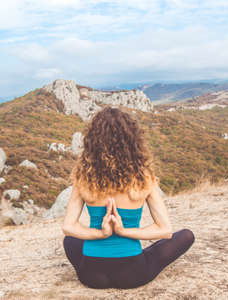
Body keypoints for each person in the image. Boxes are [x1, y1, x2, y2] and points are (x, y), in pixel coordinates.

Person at [62, 106, 194, 289]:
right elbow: (165, 230)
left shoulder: (83, 179)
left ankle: (97, 261)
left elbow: (68, 227)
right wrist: (125, 232)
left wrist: (101, 234)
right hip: (133, 273)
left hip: (91, 275)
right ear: (132, 141)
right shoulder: (144, 178)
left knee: (70, 240)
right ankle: (130, 252)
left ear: (92, 142)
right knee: (186, 235)